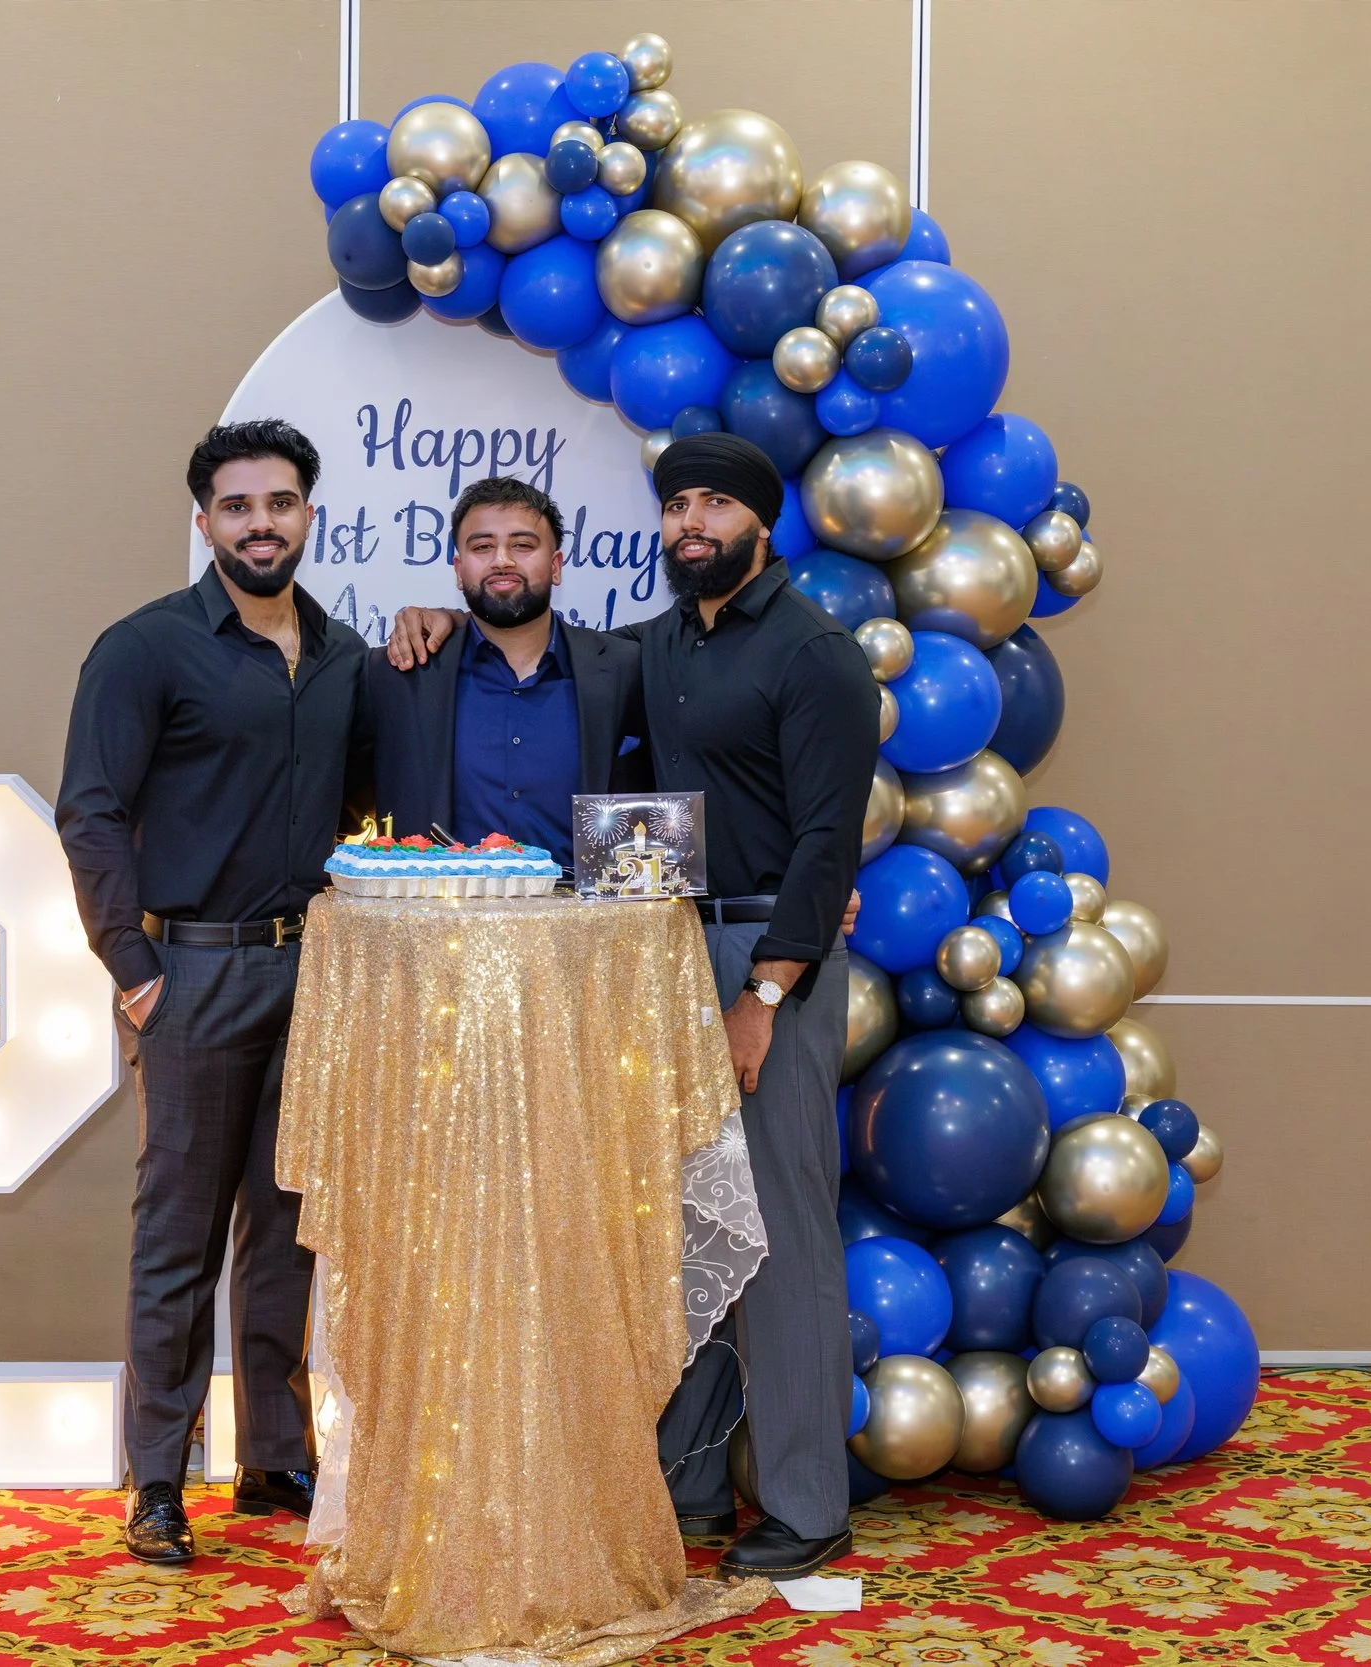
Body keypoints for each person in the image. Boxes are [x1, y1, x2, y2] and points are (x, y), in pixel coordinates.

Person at [387, 433, 878, 1580]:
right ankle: (695, 1478)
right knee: (693, 1221)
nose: (689, 524)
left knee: (786, 1230)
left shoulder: (815, 654)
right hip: (655, 951)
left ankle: (807, 1501)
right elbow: (546, 674)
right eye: (675, 506)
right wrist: (441, 621)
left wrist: (767, 989)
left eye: (714, 504)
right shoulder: (659, 648)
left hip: (768, 961)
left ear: (762, 524)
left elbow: (826, 838)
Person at [56, 418, 371, 1566]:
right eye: (237, 507)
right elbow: (88, 810)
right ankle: (154, 1479)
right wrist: (134, 974)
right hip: (188, 969)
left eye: (280, 503)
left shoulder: (340, 656)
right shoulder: (143, 649)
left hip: (319, 968)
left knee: (292, 1224)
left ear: (307, 515)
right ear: (205, 522)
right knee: (177, 1232)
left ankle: (274, 1453)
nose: (260, 524)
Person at [365, 473, 649, 851]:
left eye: (522, 545)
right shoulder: (399, 672)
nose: (501, 561)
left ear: (556, 565)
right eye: (482, 547)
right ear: (458, 568)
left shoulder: (624, 669)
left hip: (585, 909)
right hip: (436, 907)